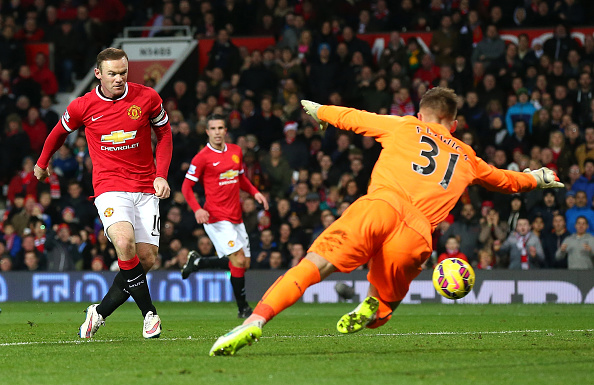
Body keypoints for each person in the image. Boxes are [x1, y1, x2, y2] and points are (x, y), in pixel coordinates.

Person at [208, 87, 564, 356]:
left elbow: (355, 117)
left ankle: (254, 322)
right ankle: (375, 306)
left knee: (311, 267)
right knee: (389, 298)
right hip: (418, 232)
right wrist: (539, 177)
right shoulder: (467, 156)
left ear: (421, 114)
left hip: (382, 205)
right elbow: (505, 180)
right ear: (453, 124)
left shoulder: (405, 126)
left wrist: (320, 111)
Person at [34, 48, 172, 339]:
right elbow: (59, 132)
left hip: (146, 187)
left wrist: (161, 174)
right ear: (99, 74)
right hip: (109, 187)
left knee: (145, 259)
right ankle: (150, 314)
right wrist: (42, 163)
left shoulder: (147, 97)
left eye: (123, 72)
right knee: (124, 243)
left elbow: (165, 134)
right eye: (112, 74)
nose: (119, 79)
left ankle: (98, 312)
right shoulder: (83, 106)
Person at [180, 113, 269, 318]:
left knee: (243, 263)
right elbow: (186, 187)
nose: (217, 132)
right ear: (207, 131)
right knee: (237, 258)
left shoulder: (236, 151)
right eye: (213, 129)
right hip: (215, 217)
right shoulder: (202, 157)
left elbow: (241, 178)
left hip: (235, 216)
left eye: (220, 128)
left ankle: (199, 263)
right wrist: (197, 209)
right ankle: (243, 309)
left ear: (225, 131)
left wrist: (255, 192)